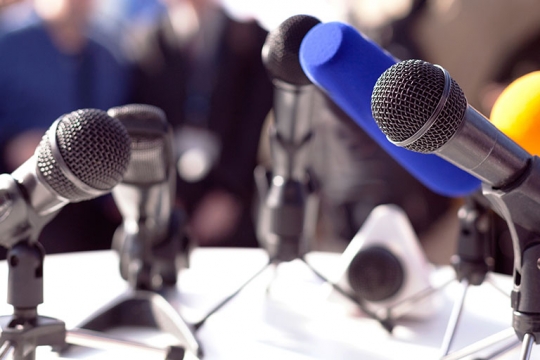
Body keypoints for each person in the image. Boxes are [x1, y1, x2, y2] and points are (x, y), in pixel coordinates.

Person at [128, 0, 273, 248]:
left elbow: (253, 124)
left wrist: (230, 193)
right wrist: (162, 197)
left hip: (232, 197)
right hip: (168, 194)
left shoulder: (250, 40)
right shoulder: (146, 42)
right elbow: (141, 121)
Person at [0, 0, 131, 256]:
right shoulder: (7, 45)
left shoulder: (110, 55)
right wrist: (10, 143)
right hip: (23, 205)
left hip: (91, 211)